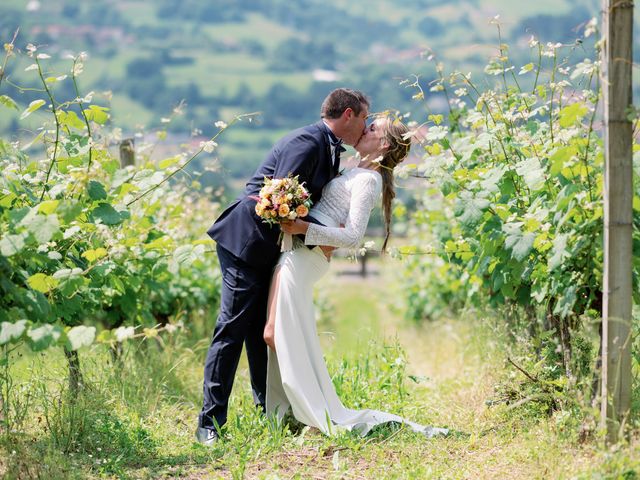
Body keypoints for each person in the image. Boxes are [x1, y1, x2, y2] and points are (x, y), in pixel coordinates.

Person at [196, 88, 370, 445]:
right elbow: (276, 198)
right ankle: (209, 424)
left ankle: (268, 412)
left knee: (260, 333)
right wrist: (313, 230)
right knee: (231, 328)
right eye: (365, 119)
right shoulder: (307, 142)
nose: (365, 128)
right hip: (246, 241)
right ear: (349, 114)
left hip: (272, 247)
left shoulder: (330, 149)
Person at [263, 114, 449, 438]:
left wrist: (302, 227)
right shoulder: (354, 171)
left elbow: (353, 237)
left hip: (306, 257)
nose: (367, 127)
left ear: (385, 143)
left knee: (280, 334)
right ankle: (286, 415)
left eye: (373, 127)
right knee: (273, 333)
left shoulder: (368, 180)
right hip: (296, 252)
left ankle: (311, 418)